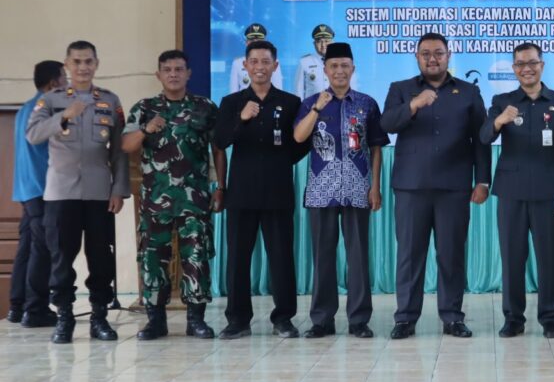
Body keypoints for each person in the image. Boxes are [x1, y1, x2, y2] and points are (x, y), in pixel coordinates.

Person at [380, 33, 491, 339]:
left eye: (438, 53)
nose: (432, 59)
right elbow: (387, 124)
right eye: (426, 53)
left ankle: (452, 317)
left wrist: (482, 180)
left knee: (451, 255)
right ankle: (405, 318)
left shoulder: (468, 91)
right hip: (411, 187)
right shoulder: (401, 89)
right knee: (409, 256)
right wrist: (414, 105)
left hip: (454, 187)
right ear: (417, 57)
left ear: (448, 55)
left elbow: (481, 139)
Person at [26, 40, 130, 344]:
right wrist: (64, 116)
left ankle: (99, 317)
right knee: (61, 258)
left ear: (96, 64)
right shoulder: (51, 100)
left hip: (99, 193)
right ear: (67, 65)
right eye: (77, 62)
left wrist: (119, 190)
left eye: (88, 61)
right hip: (61, 193)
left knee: (101, 258)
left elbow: (119, 151)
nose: (83, 67)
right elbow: (33, 134)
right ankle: (64, 318)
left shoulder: (110, 100)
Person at [121, 50, 226, 340]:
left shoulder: (205, 107)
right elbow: (126, 145)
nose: (173, 74)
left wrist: (221, 187)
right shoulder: (144, 108)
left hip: (195, 199)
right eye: (167, 69)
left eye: (179, 69)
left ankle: (196, 320)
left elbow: (218, 149)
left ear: (188, 73)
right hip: (156, 201)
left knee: (197, 257)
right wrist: (146, 129)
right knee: (153, 259)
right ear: (158, 75)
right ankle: (155, 321)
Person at [480, 42, 554, 339]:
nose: (527, 68)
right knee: (512, 258)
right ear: (514, 69)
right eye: (521, 64)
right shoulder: (502, 101)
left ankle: (550, 318)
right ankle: (513, 318)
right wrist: (499, 120)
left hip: (550, 192)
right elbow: (483, 137)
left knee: (549, 258)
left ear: (542, 65)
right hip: (512, 191)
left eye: (532, 62)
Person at [294, 42, 389, 339]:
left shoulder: (366, 103)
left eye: (344, 66)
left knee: (358, 257)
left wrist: (375, 187)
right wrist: (317, 109)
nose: (339, 71)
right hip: (321, 191)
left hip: (358, 188)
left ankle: (359, 320)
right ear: (325, 70)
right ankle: (322, 320)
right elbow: (299, 137)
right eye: (333, 66)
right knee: (323, 257)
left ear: (352, 69)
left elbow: (376, 148)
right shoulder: (311, 102)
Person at [214, 40, 308, 339]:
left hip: (278, 190)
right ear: (245, 65)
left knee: (281, 258)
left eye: (265, 62)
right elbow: (221, 141)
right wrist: (241, 119)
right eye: (253, 61)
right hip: (241, 192)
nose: (259, 67)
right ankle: (238, 319)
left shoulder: (291, 102)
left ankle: (284, 318)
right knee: (237, 259)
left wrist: (281, 161)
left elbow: (300, 144)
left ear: (275, 66)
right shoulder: (231, 102)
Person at [8, 60, 66, 328]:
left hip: (25, 188)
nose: (67, 83)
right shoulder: (44, 109)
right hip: (41, 187)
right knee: (41, 250)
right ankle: (36, 309)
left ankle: (17, 306)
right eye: (64, 78)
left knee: (27, 247)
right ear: (54, 83)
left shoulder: (25, 109)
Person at [228, 23, 283, 93]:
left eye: (259, 41)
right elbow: (233, 92)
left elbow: (278, 89)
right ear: (247, 43)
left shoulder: (273, 62)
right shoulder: (237, 63)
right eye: (252, 41)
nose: (255, 44)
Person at [294, 24, 334, 100]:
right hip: (312, 107)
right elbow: (298, 91)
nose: (323, 45)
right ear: (314, 44)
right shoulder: (304, 62)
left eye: (326, 41)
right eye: (319, 41)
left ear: (332, 42)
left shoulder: (340, 62)